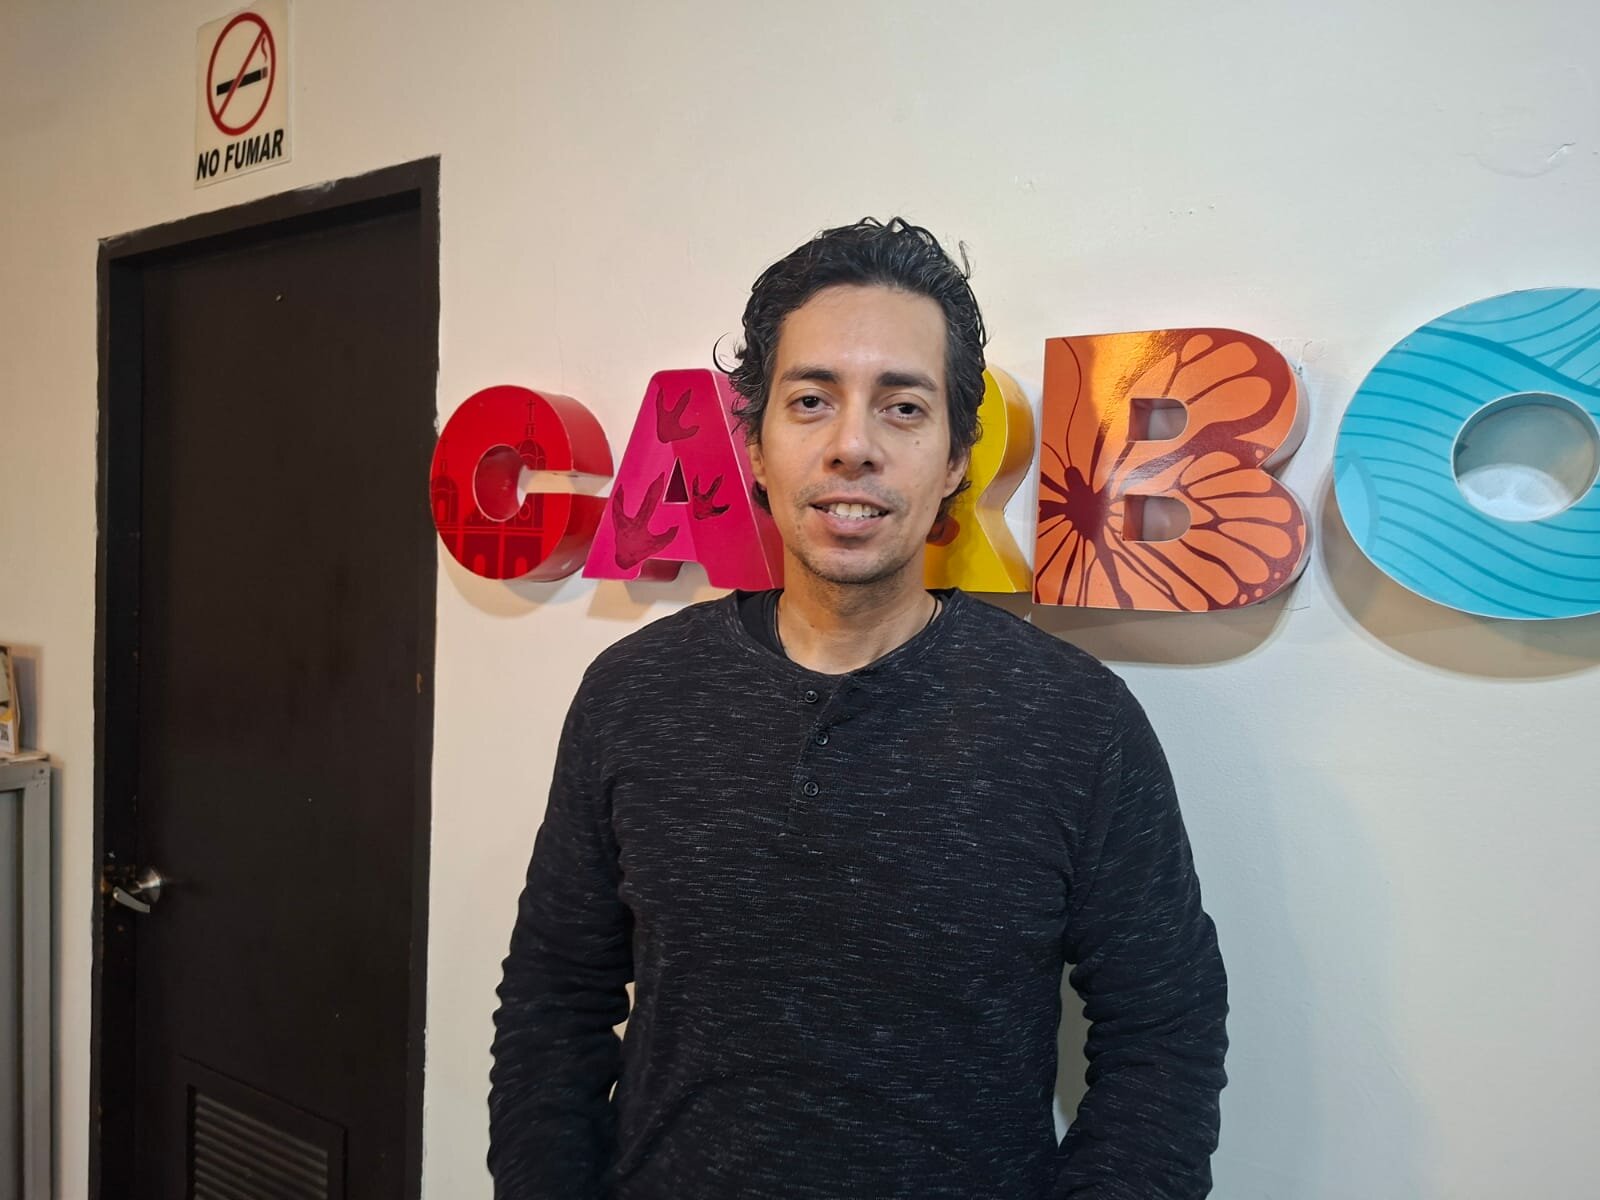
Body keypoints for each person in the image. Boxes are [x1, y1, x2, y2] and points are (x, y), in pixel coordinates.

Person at [488, 217, 1229, 1199]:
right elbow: (554, 1001)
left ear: (957, 457)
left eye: (903, 407)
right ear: (754, 446)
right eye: (810, 401)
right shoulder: (633, 693)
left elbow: (1164, 1039)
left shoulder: (1076, 722)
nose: (851, 447)